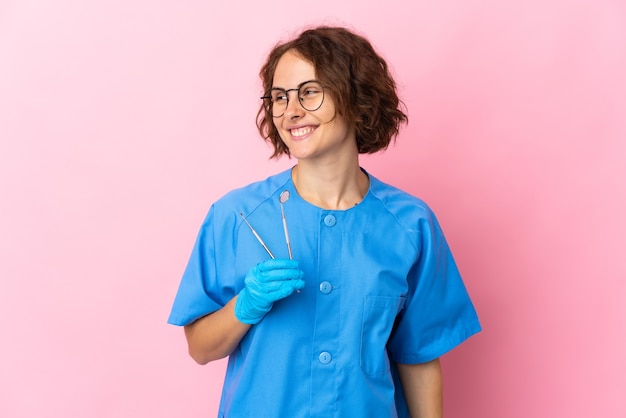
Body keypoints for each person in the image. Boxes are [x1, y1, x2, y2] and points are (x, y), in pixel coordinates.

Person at [168, 25, 481, 418]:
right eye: (279, 97)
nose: (291, 110)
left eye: (309, 92)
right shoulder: (236, 216)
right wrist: (245, 305)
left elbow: (418, 356)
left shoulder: (410, 225)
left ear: (356, 97)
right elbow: (200, 348)